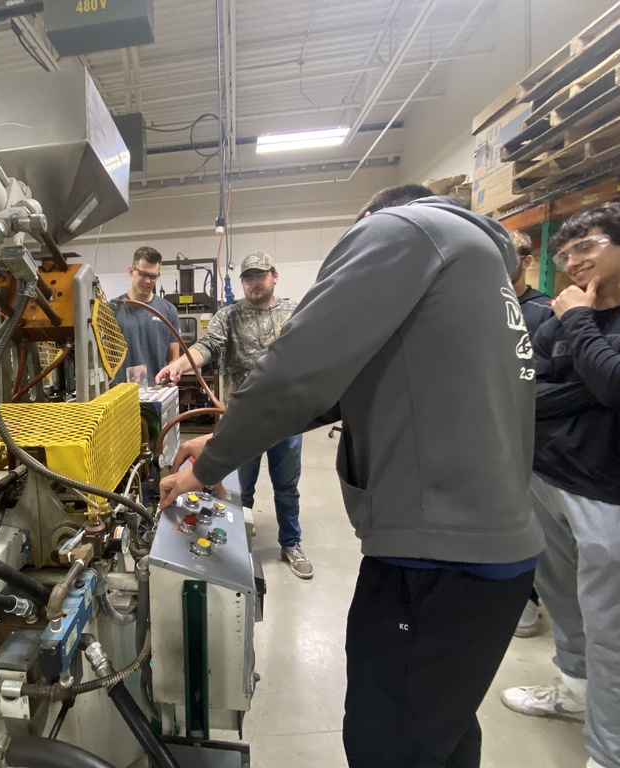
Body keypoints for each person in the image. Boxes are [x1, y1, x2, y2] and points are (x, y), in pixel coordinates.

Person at [160, 184, 543, 767]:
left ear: (372, 217)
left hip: (435, 552)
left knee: (385, 741)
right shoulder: (477, 257)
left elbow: (294, 372)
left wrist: (208, 469)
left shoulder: (401, 232)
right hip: (491, 549)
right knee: (440, 733)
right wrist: (226, 439)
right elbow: (346, 386)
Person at [501, 202, 620, 768]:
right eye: (564, 254)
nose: (571, 262)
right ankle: (574, 694)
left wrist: (579, 322)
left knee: (610, 629)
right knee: (562, 602)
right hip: (546, 477)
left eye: (585, 247)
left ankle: (608, 755)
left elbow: (617, 376)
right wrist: (615, 392)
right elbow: (519, 390)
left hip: (617, 492)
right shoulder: (556, 316)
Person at [156, 251, 310, 579]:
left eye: (259, 275)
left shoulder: (294, 312)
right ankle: (239, 540)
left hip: (286, 418)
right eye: (247, 277)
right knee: (241, 487)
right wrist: (179, 364)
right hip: (242, 421)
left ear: (274, 275)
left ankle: (291, 543)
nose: (253, 282)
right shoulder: (229, 315)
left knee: (286, 485)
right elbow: (205, 346)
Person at [509, 228, 554, 639]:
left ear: (526, 259)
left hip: (535, 435)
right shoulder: (476, 306)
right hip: (490, 430)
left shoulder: (544, 312)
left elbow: (547, 379)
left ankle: (531, 601)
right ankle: (515, 596)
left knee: (533, 520)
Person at [111, 246, 180, 386]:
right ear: (131, 271)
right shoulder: (112, 309)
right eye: (143, 274)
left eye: (152, 276)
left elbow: (174, 357)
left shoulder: (168, 310)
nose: (148, 281)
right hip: (121, 393)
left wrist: (173, 375)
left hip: (157, 391)